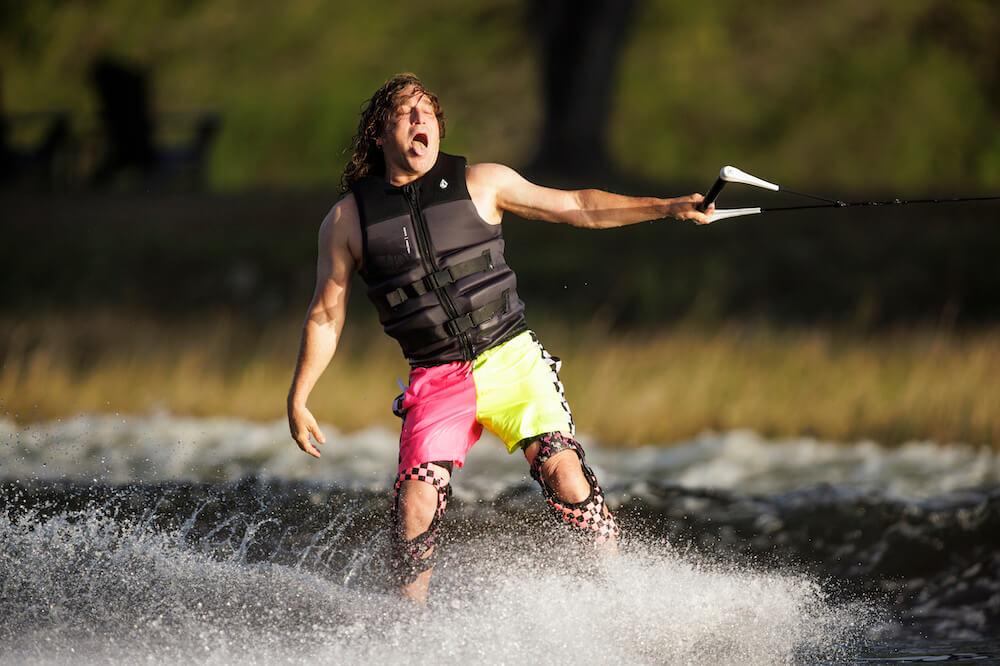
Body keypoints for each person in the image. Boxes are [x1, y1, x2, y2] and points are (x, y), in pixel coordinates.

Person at [287, 73, 714, 604]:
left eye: (428, 114)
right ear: (380, 133)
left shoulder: (481, 182)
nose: (421, 122)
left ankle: (622, 597)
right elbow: (326, 315)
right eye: (405, 113)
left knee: (565, 474)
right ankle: (406, 629)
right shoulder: (348, 220)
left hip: (511, 358)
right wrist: (300, 395)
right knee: (417, 502)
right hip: (436, 373)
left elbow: (578, 205)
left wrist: (668, 206)